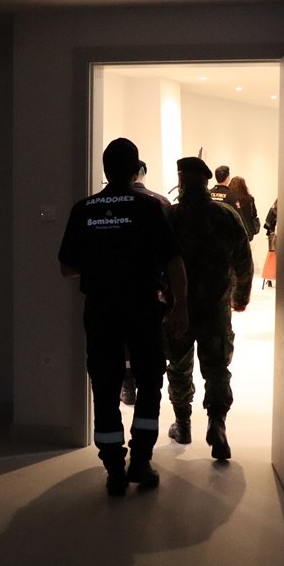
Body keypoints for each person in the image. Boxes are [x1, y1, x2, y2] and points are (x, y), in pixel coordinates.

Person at [59, 138, 189, 496]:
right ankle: (141, 462)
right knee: (148, 381)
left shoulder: (83, 209)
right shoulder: (149, 207)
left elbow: (66, 267)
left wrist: (99, 262)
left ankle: (114, 468)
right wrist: (180, 306)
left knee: (105, 385)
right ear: (136, 170)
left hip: (101, 310)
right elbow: (173, 260)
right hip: (143, 308)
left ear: (105, 169)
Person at [162, 156, 253, 460]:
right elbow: (244, 261)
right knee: (216, 369)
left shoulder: (170, 216)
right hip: (216, 308)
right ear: (206, 181)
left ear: (181, 181)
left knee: (178, 366)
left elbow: (156, 261)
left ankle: (183, 424)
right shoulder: (226, 215)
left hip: (178, 308)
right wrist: (241, 297)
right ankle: (217, 423)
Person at [120, 159, 171, 406]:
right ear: (140, 173)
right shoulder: (160, 203)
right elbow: (171, 253)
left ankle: (126, 385)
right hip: (150, 289)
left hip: (113, 291)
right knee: (149, 345)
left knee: (120, 343)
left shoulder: (96, 206)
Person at [228, 176, 261, 241]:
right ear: (244, 186)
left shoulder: (230, 199)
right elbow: (254, 214)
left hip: (233, 229)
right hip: (248, 229)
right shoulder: (250, 199)